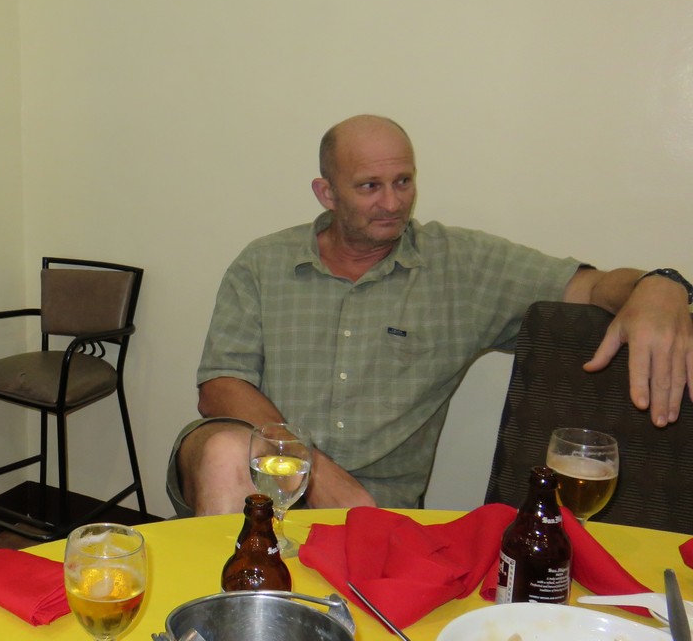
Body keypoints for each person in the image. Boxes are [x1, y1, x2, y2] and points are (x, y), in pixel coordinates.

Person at [169, 114, 692, 515]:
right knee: (223, 452)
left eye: (404, 182)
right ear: (326, 193)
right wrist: (314, 469)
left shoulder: (462, 267)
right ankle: (227, 606)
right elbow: (220, 386)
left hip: (376, 509)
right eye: (370, 186)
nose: (393, 203)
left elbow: (593, 285)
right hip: (261, 478)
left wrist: (660, 286)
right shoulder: (263, 263)